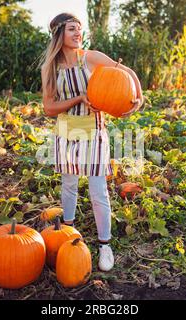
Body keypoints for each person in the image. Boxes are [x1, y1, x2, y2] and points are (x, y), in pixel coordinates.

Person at [39, 13, 143, 271]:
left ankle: (104, 245)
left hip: (94, 132)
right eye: (72, 29)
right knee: (69, 186)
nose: (78, 34)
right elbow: (49, 108)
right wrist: (78, 98)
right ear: (59, 33)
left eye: (80, 29)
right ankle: (70, 234)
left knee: (98, 191)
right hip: (65, 132)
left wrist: (138, 97)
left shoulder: (90, 58)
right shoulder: (50, 68)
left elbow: (126, 72)